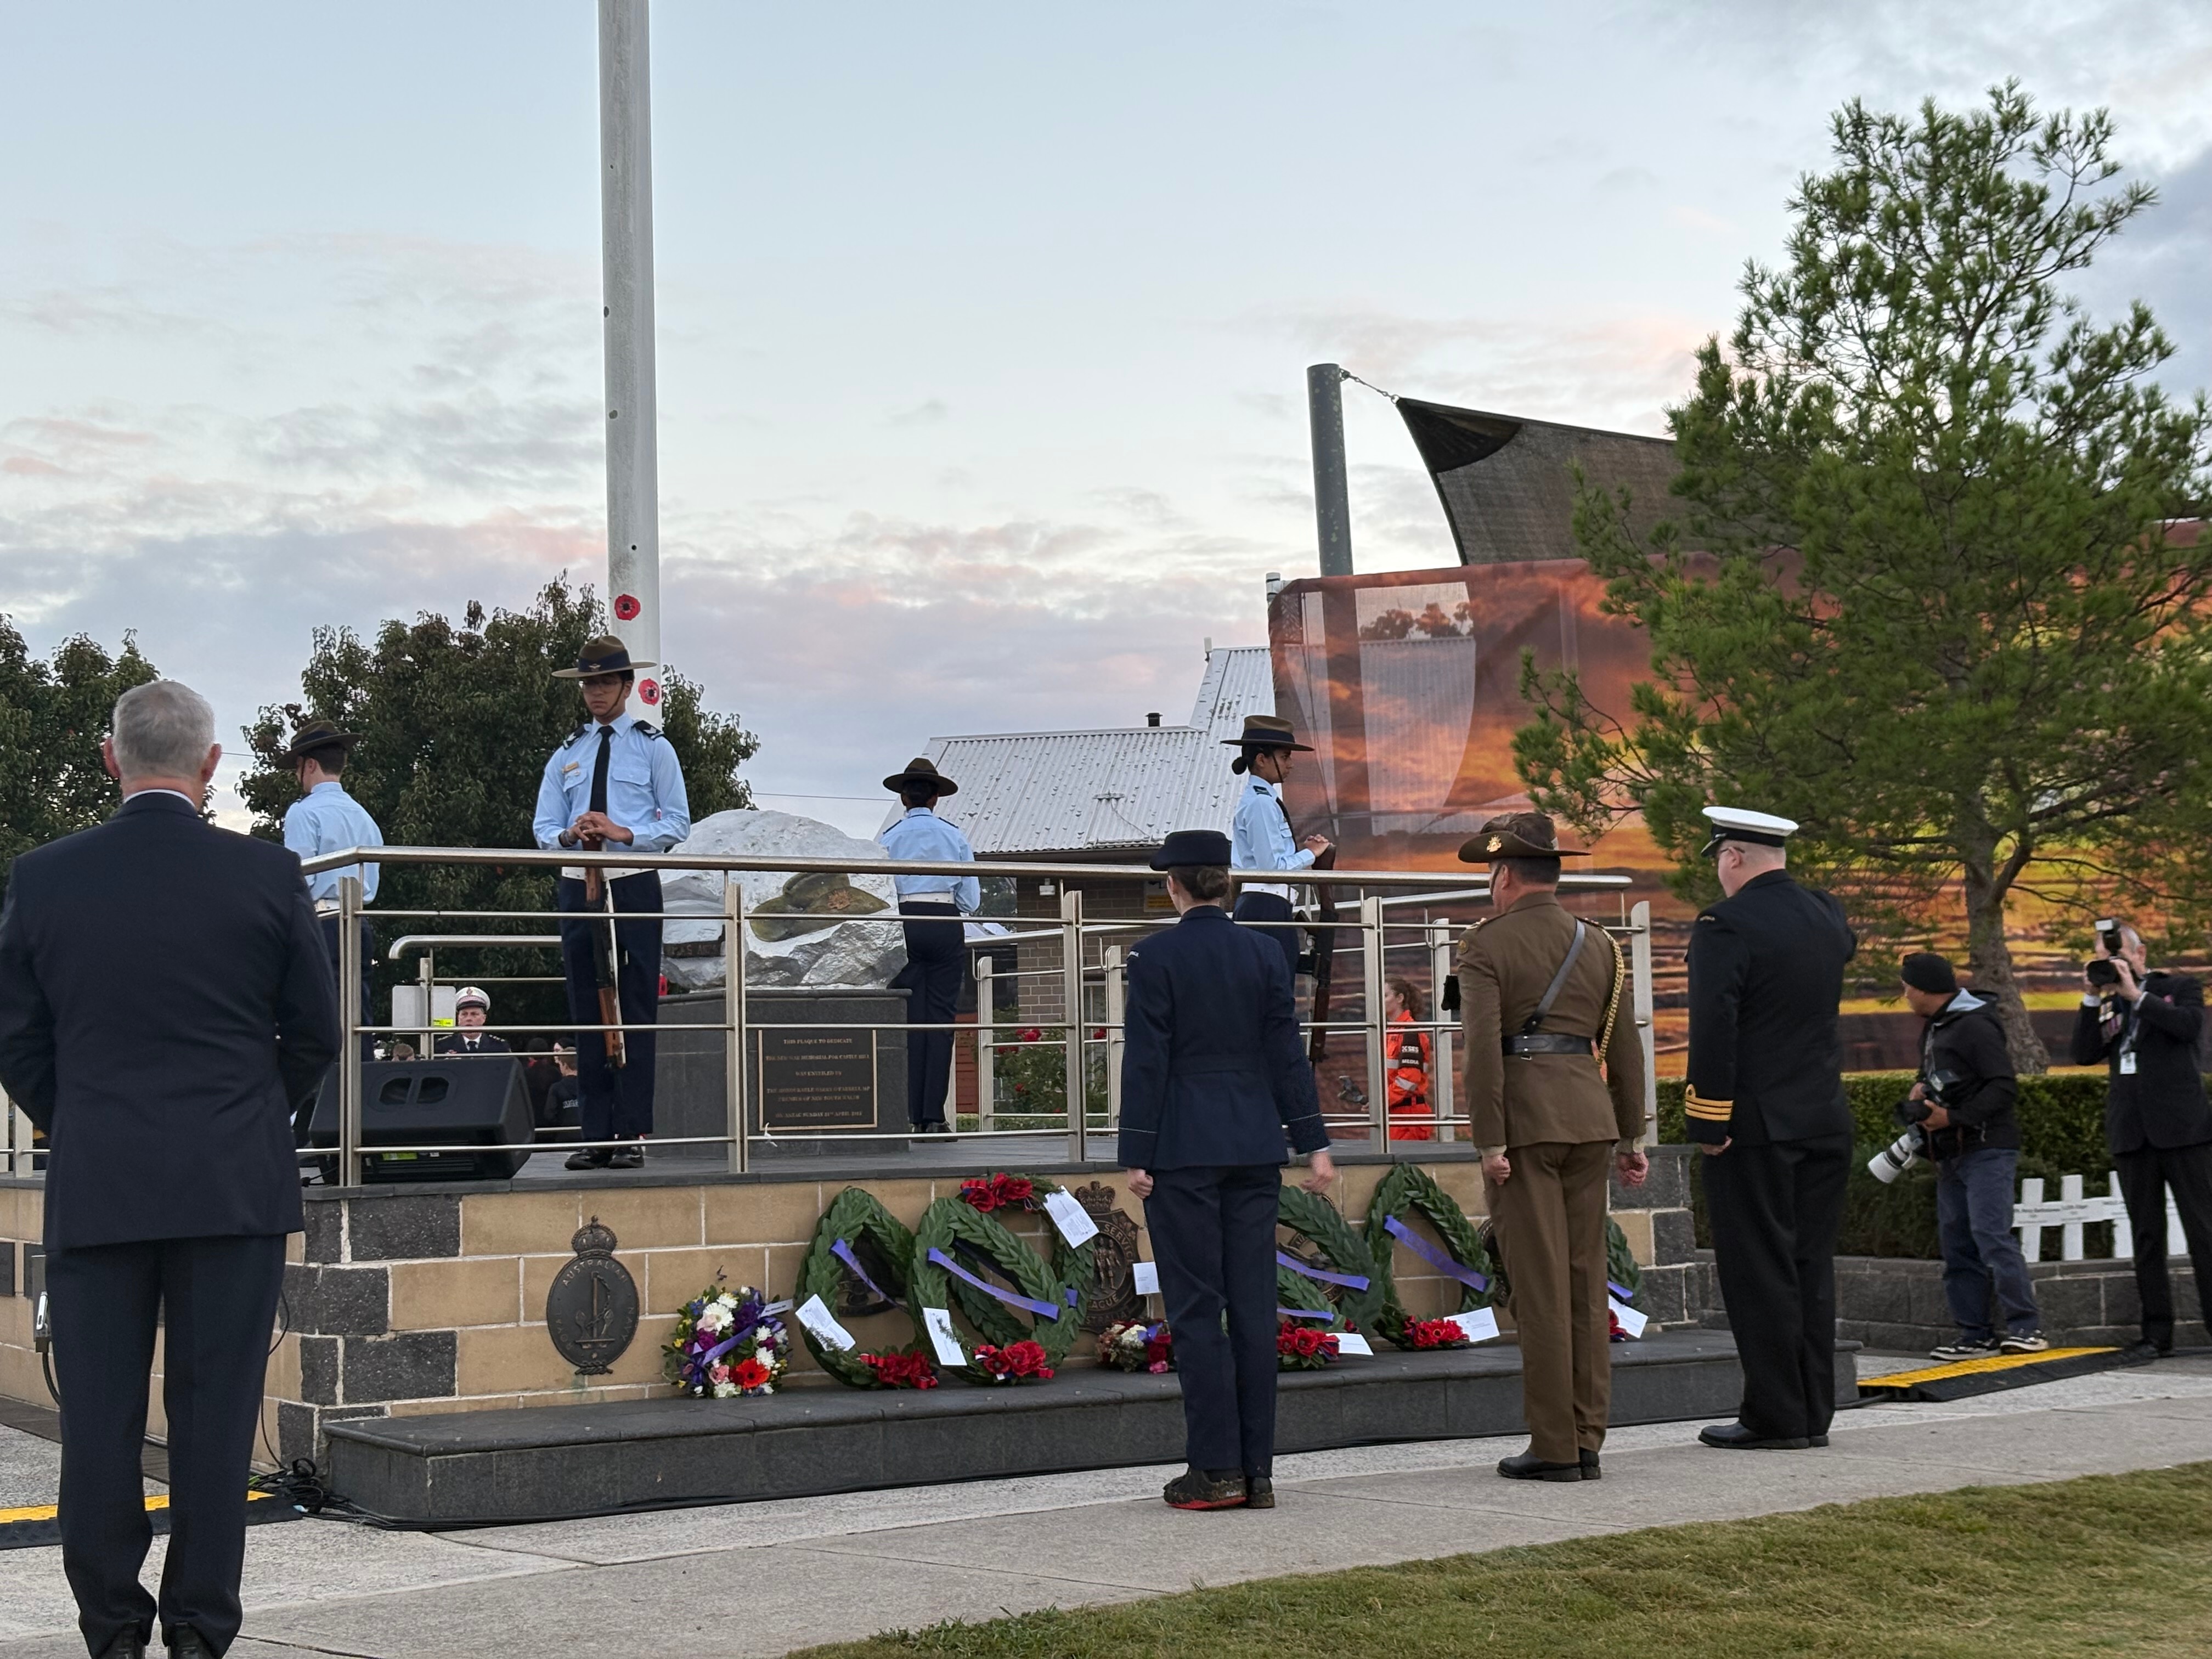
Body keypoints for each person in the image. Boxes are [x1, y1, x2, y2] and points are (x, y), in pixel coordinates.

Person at [0, 680, 340, 1659]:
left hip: (102, 1179)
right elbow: (314, 1034)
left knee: (97, 1421)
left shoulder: (45, 874)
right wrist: (244, 1116)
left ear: (112, 759)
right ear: (210, 764)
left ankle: (113, 1629)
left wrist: (86, 1119)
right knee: (214, 1417)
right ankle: (199, 1632)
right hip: (231, 1185)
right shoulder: (269, 875)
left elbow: (17, 1038)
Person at [1118, 828, 1335, 1511]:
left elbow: (1147, 1060)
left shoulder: (1154, 957)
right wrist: (1314, 1141)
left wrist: (1137, 1151)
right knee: (1253, 1306)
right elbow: (1286, 1054)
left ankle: (1214, 1470)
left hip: (1183, 1146)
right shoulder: (1264, 953)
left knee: (1194, 1308)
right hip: (1254, 1144)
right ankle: (1259, 1471)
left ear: (1174, 887)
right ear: (1229, 884)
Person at [1454, 813, 1648, 1481]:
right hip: (1590, 1121)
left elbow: (1482, 1052)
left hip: (1526, 1127)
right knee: (1584, 1282)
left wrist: (1489, 1141)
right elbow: (1624, 1047)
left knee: (1539, 1289)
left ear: (1504, 876)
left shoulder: (1484, 944)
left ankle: (1554, 1446)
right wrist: (1632, 1134)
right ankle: (1589, 1436)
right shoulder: (1600, 945)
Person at [1684, 805, 1856, 1452]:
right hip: (1824, 1116)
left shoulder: (1724, 924)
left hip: (1754, 1125)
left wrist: (1708, 1116)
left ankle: (1775, 1415)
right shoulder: (1828, 915)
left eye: (1720, 862)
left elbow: (1715, 1028)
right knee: (1811, 1266)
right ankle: (1813, 1410)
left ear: (1732, 857)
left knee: (1758, 1269)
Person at [533, 635, 692, 1171]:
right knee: (586, 1003)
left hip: (632, 879)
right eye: (588, 683)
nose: (595, 692)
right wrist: (570, 835)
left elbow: (676, 822)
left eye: (605, 682)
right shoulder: (567, 752)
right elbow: (543, 826)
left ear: (626, 685)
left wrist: (622, 832)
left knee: (635, 1002)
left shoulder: (653, 746)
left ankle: (631, 1131)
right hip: (580, 879)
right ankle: (596, 1133)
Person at [2069, 923, 2212, 1357]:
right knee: (2147, 1236)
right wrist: (2093, 997)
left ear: (2140, 952)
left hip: (2183, 1131)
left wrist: (2138, 996)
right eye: (2102, 956)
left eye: (2118, 955)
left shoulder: (2178, 988)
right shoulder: (2109, 1005)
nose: (2112, 963)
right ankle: (2155, 1334)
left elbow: (2188, 1028)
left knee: (2204, 1231)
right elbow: (2083, 1053)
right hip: (2132, 1133)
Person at [1898, 953, 2046, 1360]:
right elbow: (1943, 1077)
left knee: (1991, 1236)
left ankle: (2026, 1328)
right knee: (1958, 1244)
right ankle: (1975, 1334)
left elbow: (2003, 1087)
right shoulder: (1936, 1026)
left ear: (1926, 987)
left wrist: (1955, 1116)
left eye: (1908, 986)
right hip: (1951, 1152)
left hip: (1987, 1149)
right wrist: (1922, 1093)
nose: (1905, 994)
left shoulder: (1976, 1024)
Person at [878, 757, 978, 1135]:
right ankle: (932, 1117)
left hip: (902, 923)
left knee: (906, 1017)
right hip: (942, 920)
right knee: (940, 1020)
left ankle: (905, 1113)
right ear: (936, 798)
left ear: (904, 797)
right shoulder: (954, 836)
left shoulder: (887, 839)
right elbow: (971, 898)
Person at [279, 718, 383, 1055]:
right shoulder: (363, 815)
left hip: (321, 922)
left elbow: (300, 881)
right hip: (359, 922)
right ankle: (362, 1092)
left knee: (316, 1014)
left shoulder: (303, 813)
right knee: (358, 1015)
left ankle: (323, 1102)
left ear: (309, 765)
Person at [1224, 714, 1333, 988]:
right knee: (1275, 990)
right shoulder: (1261, 805)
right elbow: (1271, 869)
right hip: (1265, 906)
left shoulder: (1264, 801)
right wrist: (1312, 853)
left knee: (1275, 987)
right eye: (1285, 757)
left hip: (1269, 906)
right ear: (1262, 759)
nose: (1290, 764)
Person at [1383, 978, 1434, 1142]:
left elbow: (1408, 1079)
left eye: (1385, 996)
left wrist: (1382, 1101)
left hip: (1408, 1116)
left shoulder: (1409, 1031)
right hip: (1396, 1112)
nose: (1380, 1001)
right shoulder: (1391, 1032)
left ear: (1400, 999)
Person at [433, 986, 512, 1056]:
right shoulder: (442, 1045)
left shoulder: (499, 1046)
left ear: (484, 1018)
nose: (469, 1019)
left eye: (474, 1014)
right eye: (464, 1014)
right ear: (458, 1018)